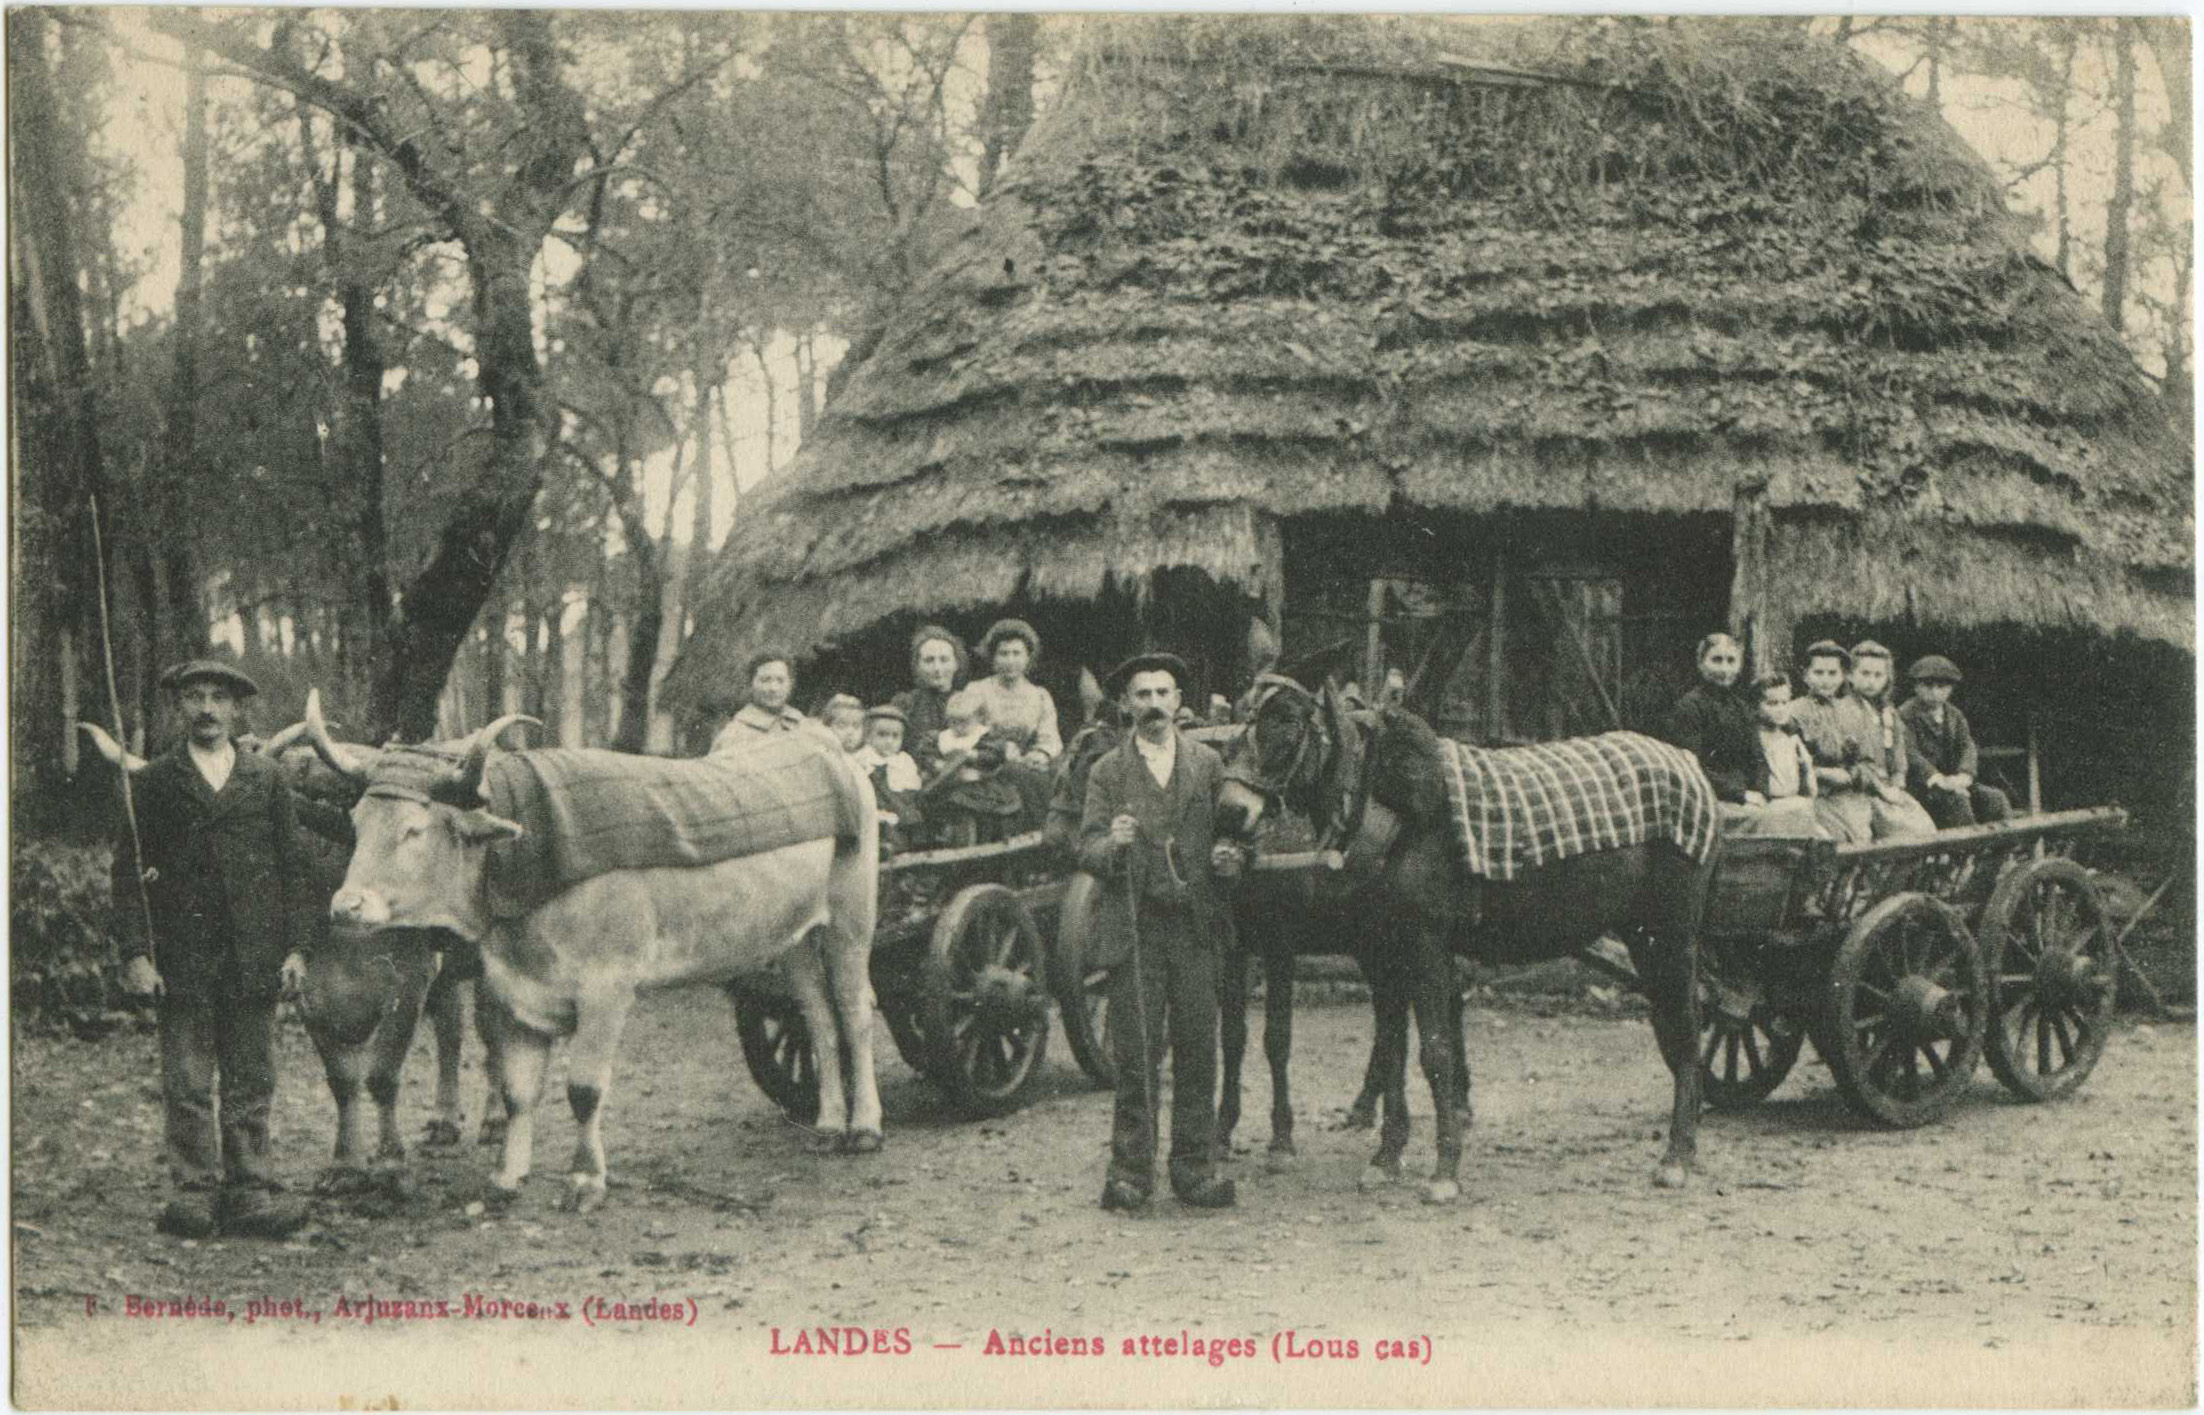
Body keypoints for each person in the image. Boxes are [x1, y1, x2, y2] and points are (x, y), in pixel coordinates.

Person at [111, 661, 311, 1240]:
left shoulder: (266, 780)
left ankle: (251, 1192)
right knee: (189, 1082)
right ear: (179, 708)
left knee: (251, 1080)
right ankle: (194, 1194)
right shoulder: (153, 783)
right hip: (182, 959)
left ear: (236, 710)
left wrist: (296, 948)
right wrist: (135, 953)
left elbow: (292, 871)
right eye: (194, 697)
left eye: (217, 698)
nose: (206, 708)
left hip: (253, 956)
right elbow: (127, 874)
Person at [1079, 652, 1246, 1212]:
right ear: (1126, 705)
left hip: (1196, 928)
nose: (1153, 705)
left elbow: (1239, 838)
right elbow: (1086, 847)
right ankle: (1130, 1174)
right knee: (1138, 1053)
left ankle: (1195, 1171)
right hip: (1136, 929)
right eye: (1142, 695)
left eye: (1163, 694)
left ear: (1179, 702)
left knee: (1199, 1049)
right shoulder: (1107, 771)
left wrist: (1232, 858)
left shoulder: (1208, 764)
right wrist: (1114, 845)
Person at [1900, 655, 2014, 829]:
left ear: (1951, 688)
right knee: (1956, 801)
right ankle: (1968, 850)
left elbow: (1967, 746)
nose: (1935, 692)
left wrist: (1964, 775)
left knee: (1995, 798)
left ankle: (2006, 848)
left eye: (1942, 686)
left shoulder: (1954, 715)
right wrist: (1936, 778)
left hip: (1953, 782)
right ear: (1916, 687)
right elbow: (1910, 753)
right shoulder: (1906, 714)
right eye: (1928, 686)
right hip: (1922, 787)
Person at [1789, 640, 1876, 845]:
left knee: (1866, 840)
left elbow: (1868, 760)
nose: (1825, 680)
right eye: (1818, 673)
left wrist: (1851, 775)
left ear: (1843, 676)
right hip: (1815, 797)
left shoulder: (1853, 712)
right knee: (1833, 842)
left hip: (1851, 795)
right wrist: (1821, 773)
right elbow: (1789, 760)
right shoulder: (1795, 712)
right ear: (1805, 675)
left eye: (1832, 673)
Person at [1662, 633, 1761, 807]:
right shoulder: (1689, 707)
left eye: (1731, 661)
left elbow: (1758, 758)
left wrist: (1761, 791)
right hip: (1707, 795)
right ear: (1701, 664)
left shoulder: (1742, 708)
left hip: (1747, 795)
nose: (1724, 669)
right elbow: (1691, 765)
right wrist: (1738, 794)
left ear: (1739, 666)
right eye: (1716, 660)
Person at [1849, 641, 1936, 839]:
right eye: (1865, 674)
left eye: (1878, 675)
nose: (1871, 681)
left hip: (1890, 787)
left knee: (1923, 828)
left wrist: (1898, 779)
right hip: (1863, 789)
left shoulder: (1889, 713)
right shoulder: (1846, 709)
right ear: (1851, 675)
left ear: (1887, 679)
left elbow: (1898, 751)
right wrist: (1881, 789)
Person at [1732, 672, 1822, 838]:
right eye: (1772, 703)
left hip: (1797, 805)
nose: (1780, 709)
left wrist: (1806, 767)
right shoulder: (1751, 739)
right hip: (1770, 807)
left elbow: (1809, 789)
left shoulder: (1792, 738)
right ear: (1756, 706)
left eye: (1784, 703)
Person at [963, 619, 1062, 767]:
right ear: (993, 657)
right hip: (984, 765)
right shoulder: (976, 690)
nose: (1010, 661)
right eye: (1003, 654)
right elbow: (963, 732)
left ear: (1028, 657)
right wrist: (997, 750)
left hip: (1025, 767)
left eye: (1017, 653)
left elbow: (1049, 737)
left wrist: (1041, 753)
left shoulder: (1040, 696)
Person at [892, 625, 969, 781]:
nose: (937, 668)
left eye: (944, 660)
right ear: (917, 666)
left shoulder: (968, 702)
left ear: (956, 664)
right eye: (929, 660)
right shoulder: (905, 703)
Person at [710, 649, 807, 754]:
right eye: (765, 680)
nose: (773, 688)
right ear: (751, 683)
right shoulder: (734, 733)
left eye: (780, 680)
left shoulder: (803, 724)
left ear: (791, 684)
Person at [854, 705, 925, 848]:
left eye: (895, 736)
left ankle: (908, 845)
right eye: (882, 735)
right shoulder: (863, 758)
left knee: (910, 817)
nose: (889, 741)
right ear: (868, 736)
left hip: (901, 802)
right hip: (875, 803)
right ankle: (889, 846)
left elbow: (912, 787)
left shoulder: (903, 760)